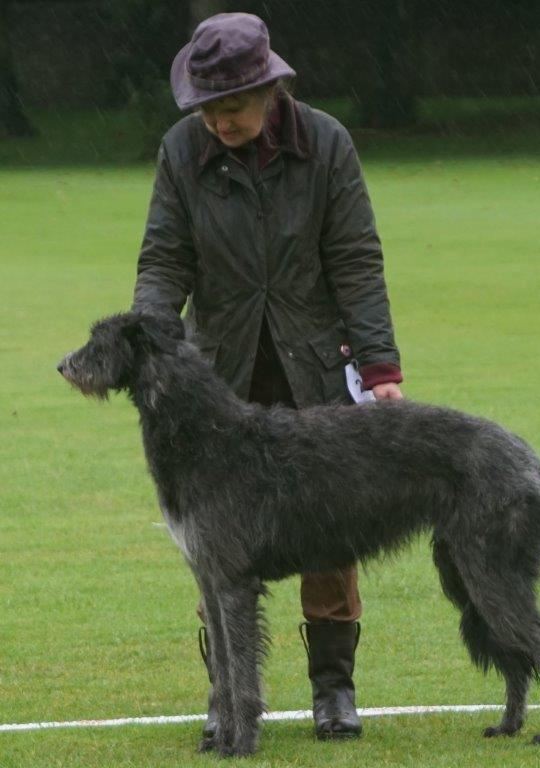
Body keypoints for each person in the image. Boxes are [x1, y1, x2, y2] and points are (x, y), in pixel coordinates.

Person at [132, 12, 403, 740]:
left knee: (329, 540)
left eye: (232, 106)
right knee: (218, 551)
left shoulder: (326, 144)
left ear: (270, 91)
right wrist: (151, 339)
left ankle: (333, 693)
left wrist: (378, 368)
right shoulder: (180, 150)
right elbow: (164, 257)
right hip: (215, 384)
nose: (218, 121)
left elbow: (354, 259)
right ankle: (227, 700)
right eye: (207, 108)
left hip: (315, 368)